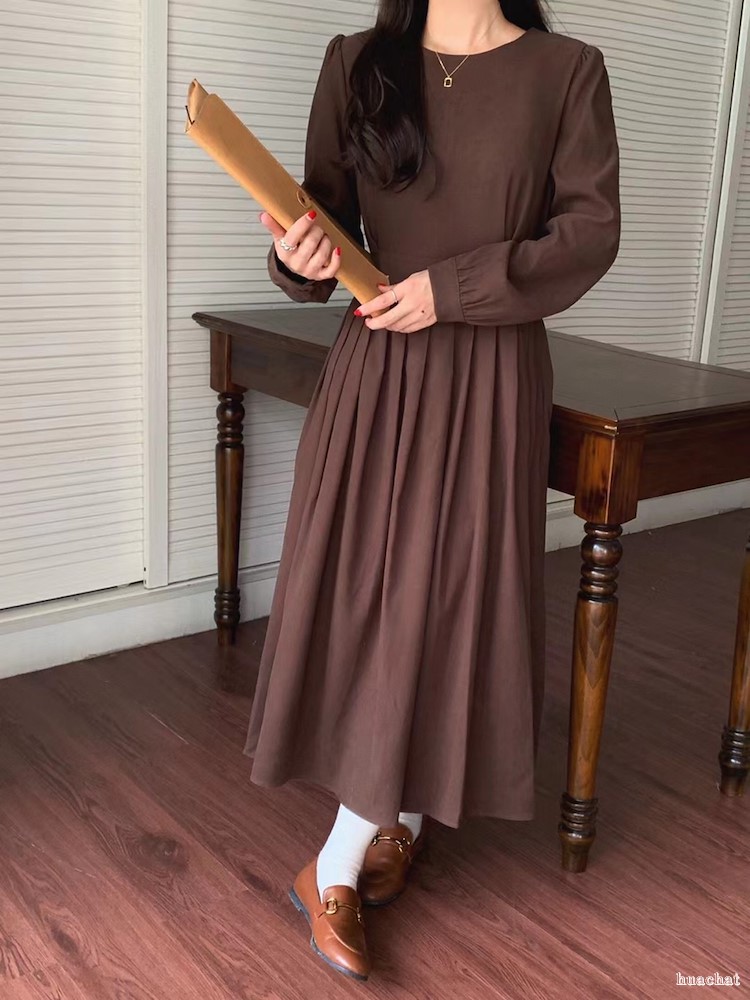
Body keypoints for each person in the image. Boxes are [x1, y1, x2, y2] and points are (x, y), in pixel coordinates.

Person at [245, 0, 620, 981]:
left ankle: (371, 833)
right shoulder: (355, 62)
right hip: (377, 368)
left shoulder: (567, 71)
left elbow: (589, 234)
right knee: (374, 598)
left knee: (449, 597)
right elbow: (318, 227)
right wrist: (296, 256)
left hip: (491, 375)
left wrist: (453, 291)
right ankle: (356, 843)